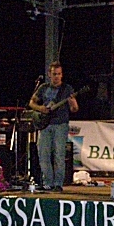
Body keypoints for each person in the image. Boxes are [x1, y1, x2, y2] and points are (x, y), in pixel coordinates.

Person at [28, 61, 79, 191]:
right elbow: (32, 103)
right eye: (54, 74)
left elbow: (74, 109)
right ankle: (47, 182)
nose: (57, 76)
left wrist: (73, 103)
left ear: (62, 75)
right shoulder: (43, 88)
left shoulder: (67, 89)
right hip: (45, 124)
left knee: (59, 155)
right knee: (43, 154)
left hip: (60, 124)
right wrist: (40, 108)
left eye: (59, 74)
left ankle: (58, 184)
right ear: (49, 74)